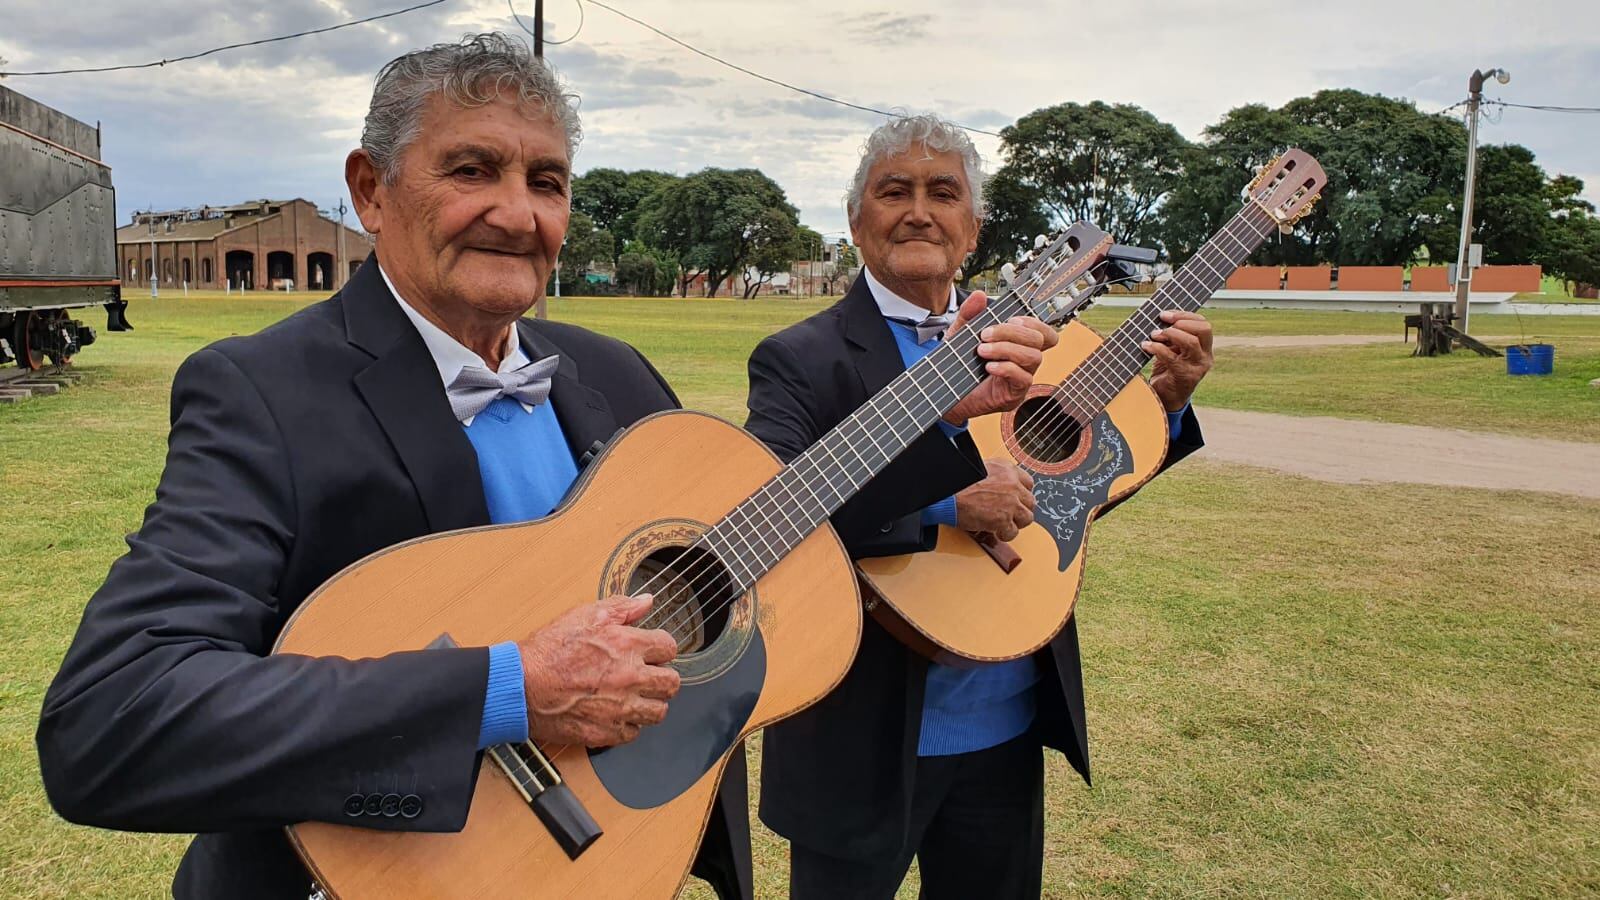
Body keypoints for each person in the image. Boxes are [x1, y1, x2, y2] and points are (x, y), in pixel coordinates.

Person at [36, 33, 748, 899]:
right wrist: (509, 688)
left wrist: (928, 435)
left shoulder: (616, 374)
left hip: (611, 861)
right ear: (371, 191)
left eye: (546, 182)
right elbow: (110, 723)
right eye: (472, 170)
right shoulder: (260, 391)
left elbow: (728, 563)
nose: (520, 215)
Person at [744, 114, 1214, 899]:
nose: (919, 210)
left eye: (943, 193)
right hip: (860, 735)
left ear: (974, 227)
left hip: (1009, 719)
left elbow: (1069, 496)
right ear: (858, 222)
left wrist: (1168, 404)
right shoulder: (798, 359)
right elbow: (768, 518)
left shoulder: (1037, 342)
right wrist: (943, 507)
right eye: (894, 191)